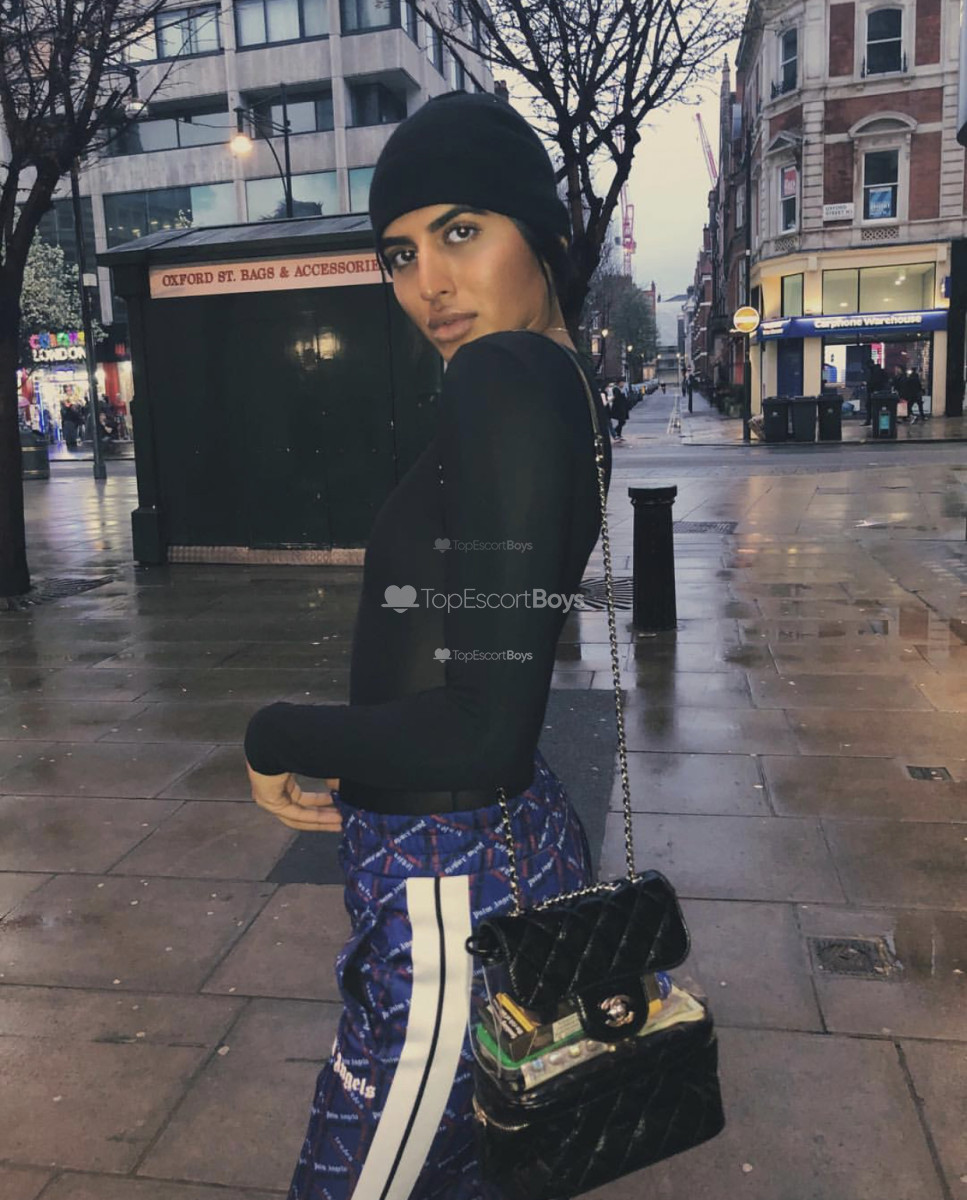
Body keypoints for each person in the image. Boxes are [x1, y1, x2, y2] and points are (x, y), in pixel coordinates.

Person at [243, 90, 609, 1200]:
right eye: (399, 253)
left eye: (460, 232)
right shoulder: (554, 380)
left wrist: (274, 733)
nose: (427, 284)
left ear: (538, 232)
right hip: (474, 860)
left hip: (450, 876)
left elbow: (480, 730)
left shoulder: (503, 378)